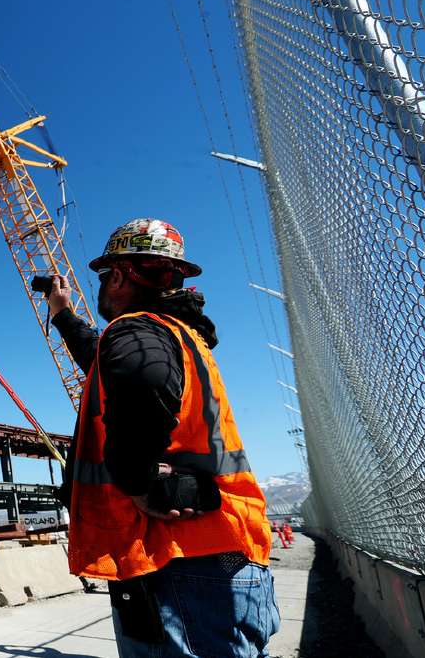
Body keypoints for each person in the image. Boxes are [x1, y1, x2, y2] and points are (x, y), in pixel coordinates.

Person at [45, 218, 278, 656]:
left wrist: (137, 483)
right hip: (219, 551)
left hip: (176, 558)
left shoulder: (135, 330)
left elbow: (140, 373)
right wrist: (62, 314)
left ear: (116, 274)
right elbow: (108, 360)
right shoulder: (179, 336)